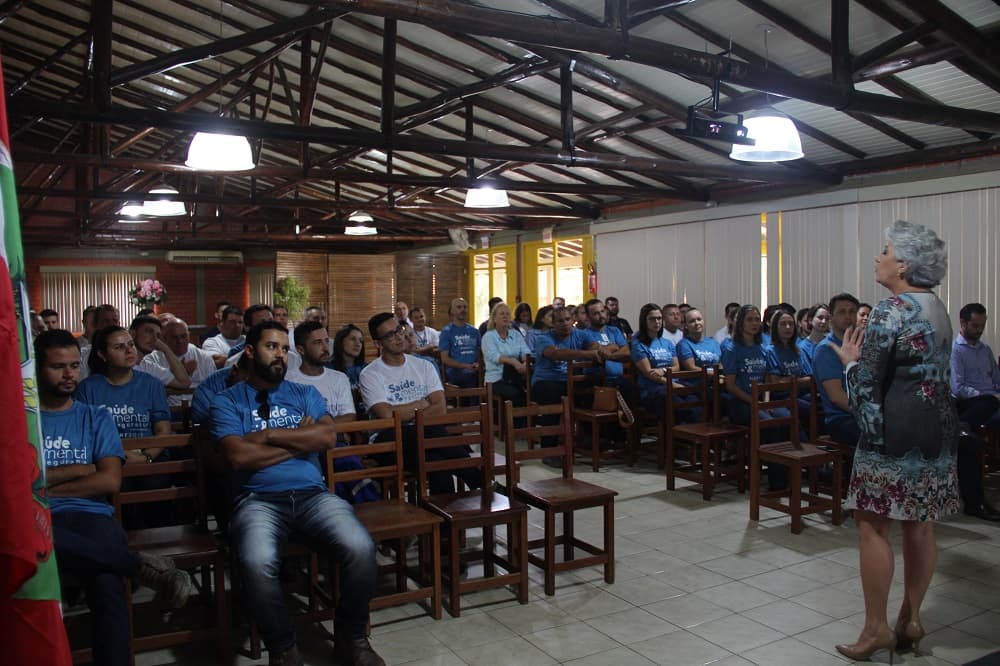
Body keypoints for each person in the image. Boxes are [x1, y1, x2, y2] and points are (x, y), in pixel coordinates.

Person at [211, 321, 383, 666]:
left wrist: (267, 436)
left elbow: (327, 438)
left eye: (284, 348)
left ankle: (351, 639)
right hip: (257, 499)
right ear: (249, 351)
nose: (280, 355)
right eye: (271, 347)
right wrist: (297, 441)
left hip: (312, 495)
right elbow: (238, 457)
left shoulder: (304, 394)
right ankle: (284, 648)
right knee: (257, 563)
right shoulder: (227, 401)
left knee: (362, 549)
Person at [830, 220, 960, 663]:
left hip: (894, 436)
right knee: (920, 524)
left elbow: (867, 387)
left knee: (872, 524)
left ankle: (875, 629)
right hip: (937, 433)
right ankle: (911, 618)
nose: (878, 256)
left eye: (884, 249)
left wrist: (849, 362)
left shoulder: (892, 309)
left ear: (903, 263)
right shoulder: (937, 307)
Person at [36, 330, 191, 666]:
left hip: (91, 513)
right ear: (36, 368)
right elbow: (15, 487)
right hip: (34, 517)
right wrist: (80, 468)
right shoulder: (22, 422)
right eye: (57, 367)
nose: (69, 375)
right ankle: (139, 565)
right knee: (42, 538)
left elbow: (108, 479)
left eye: (74, 366)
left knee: (108, 583)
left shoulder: (94, 416)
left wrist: (42, 486)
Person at [360, 312, 477, 493]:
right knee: (432, 433)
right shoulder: (370, 374)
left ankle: (443, 520)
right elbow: (386, 415)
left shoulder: (424, 366)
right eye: (390, 335)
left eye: (398, 330)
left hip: (426, 436)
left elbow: (440, 408)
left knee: (437, 463)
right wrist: (421, 404)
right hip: (390, 442)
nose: (398, 337)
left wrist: (403, 412)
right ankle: (479, 479)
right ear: (378, 343)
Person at [722, 304, 788, 489]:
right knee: (769, 425)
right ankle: (777, 481)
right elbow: (731, 385)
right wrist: (754, 402)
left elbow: (767, 379)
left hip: (760, 401)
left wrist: (765, 401)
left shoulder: (763, 347)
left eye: (757, 319)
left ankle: (787, 471)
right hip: (740, 403)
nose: (754, 323)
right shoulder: (732, 348)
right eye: (749, 319)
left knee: (785, 417)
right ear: (740, 322)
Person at [948, 302, 1000, 521]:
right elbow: (958, 389)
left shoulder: (985, 350)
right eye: (975, 326)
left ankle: (961, 431)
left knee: (967, 442)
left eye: (982, 326)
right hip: (968, 404)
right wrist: (989, 396)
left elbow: (997, 381)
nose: (979, 331)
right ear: (963, 323)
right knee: (987, 401)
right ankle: (961, 429)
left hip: (989, 404)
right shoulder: (955, 350)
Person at [812, 294, 861, 446]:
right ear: (831, 317)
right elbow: (836, 397)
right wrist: (869, 414)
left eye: (852, 311)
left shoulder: (862, 344)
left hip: (864, 411)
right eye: (842, 312)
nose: (848, 316)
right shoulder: (826, 349)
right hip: (842, 418)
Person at [630, 303, 681, 419]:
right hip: (652, 390)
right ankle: (669, 435)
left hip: (672, 383)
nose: (657, 322)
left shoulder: (667, 343)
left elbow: (677, 367)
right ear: (644, 321)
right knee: (673, 400)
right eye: (652, 319)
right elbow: (649, 373)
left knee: (693, 399)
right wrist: (672, 384)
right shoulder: (638, 345)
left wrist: (663, 370)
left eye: (659, 318)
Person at [481, 301, 530, 408]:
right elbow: (494, 357)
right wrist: (514, 362)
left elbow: (525, 351)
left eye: (507, 314)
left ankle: (526, 422)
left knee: (531, 392)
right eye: (502, 314)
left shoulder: (516, 334)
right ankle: (512, 423)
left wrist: (525, 362)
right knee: (516, 394)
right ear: (494, 318)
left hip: (516, 376)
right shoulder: (488, 337)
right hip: (496, 379)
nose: (505, 316)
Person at [438, 297, 480, 388]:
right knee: (469, 377)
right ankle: (471, 402)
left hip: (474, 368)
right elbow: (445, 359)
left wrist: (478, 363)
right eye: (459, 307)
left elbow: (480, 352)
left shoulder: (474, 331)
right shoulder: (446, 332)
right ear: (452, 311)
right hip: (456, 370)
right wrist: (465, 366)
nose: (462, 310)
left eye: (465, 307)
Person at [332, 324, 368, 390]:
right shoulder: (329, 369)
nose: (358, 344)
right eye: (352, 339)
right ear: (340, 342)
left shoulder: (366, 369)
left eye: (360, 340)